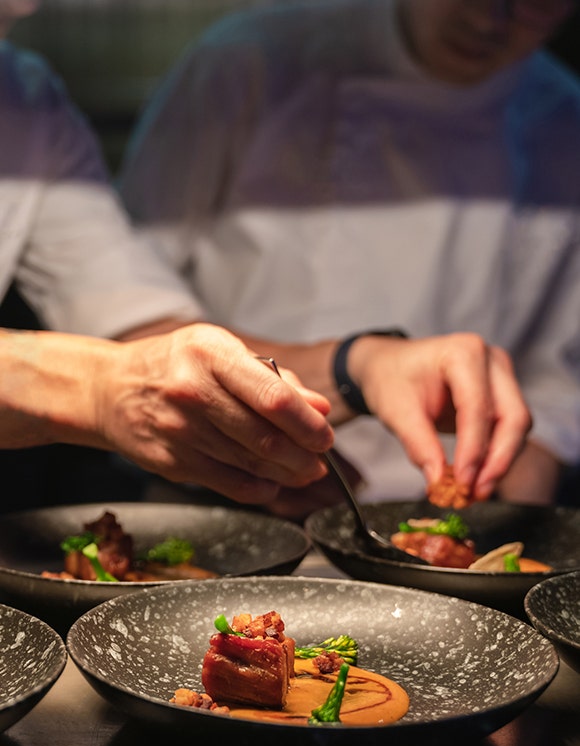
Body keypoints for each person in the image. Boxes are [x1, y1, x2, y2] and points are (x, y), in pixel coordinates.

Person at [0, 0, 532, 517]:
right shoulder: (246, 56)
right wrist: (96, 389)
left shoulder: (24, 95)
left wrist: (362, 365)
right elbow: (119, 369)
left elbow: (137, 325)